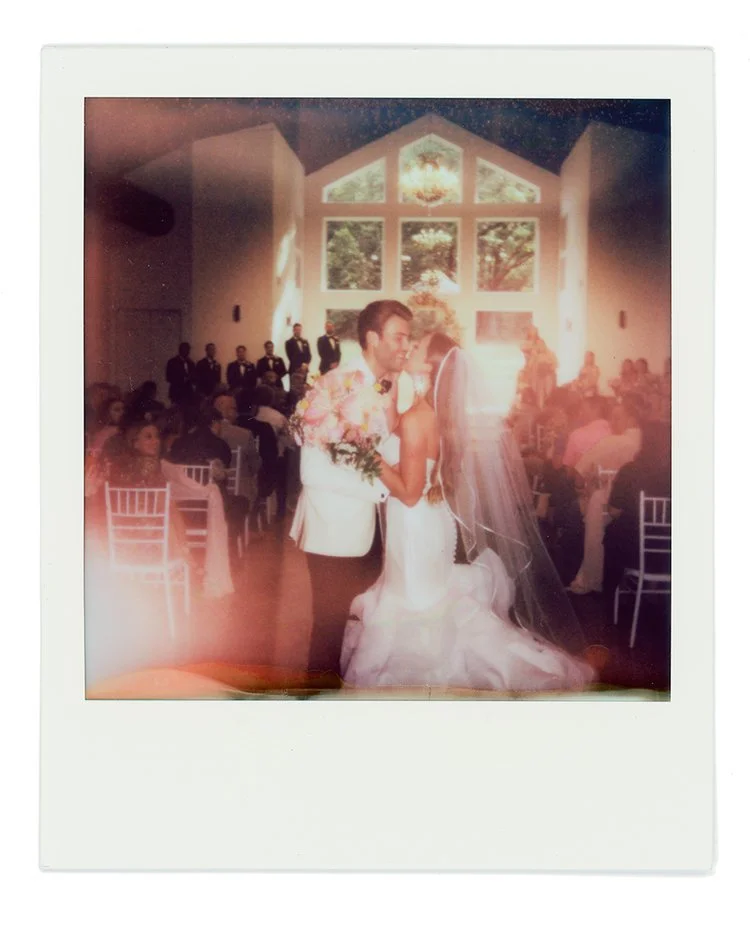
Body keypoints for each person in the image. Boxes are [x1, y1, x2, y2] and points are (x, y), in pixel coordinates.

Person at [340, 331, 595, 691]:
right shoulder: (435, 413)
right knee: (428, 598)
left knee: (417, 601)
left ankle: (429, 671)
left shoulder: (419, 417)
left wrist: (364, 449)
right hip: (430, 521)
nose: (409, 349)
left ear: (429, 366)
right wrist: (392, 385)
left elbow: (410, 493)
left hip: (414, 521)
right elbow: (400, 433)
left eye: (417, 348)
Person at [290, 299, 411, 682]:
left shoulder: (389, 388)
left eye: (409, 338)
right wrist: (380, 488)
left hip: (370, 530)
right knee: (328, 632)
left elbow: (380, 446)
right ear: (373, 338)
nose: (405, 346)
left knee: (360, 630)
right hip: (333, 530)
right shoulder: (334, 386)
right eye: (399, 337)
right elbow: (311, 472)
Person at [567, 396, 644, 595]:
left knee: (591, 510)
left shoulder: (611, 442)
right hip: (642, 513)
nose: (612, 423)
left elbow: (579, 472)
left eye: (617, 418)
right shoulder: (647, 443)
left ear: (631, 419)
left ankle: (592, 578)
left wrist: (584, 488)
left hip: (609, 506)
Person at [603, 421, 671, 622]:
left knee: (613, 533)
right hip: (669, 556)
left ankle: (610, 601)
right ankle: (653, 597)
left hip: (633, 552)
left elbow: (614, 510)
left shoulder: (630, 470)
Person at [561, 396, 612, 469]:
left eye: (583, 410)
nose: (580, 413)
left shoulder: (577, 435)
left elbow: (568, 468)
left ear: (595, 410)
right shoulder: (616, 433)